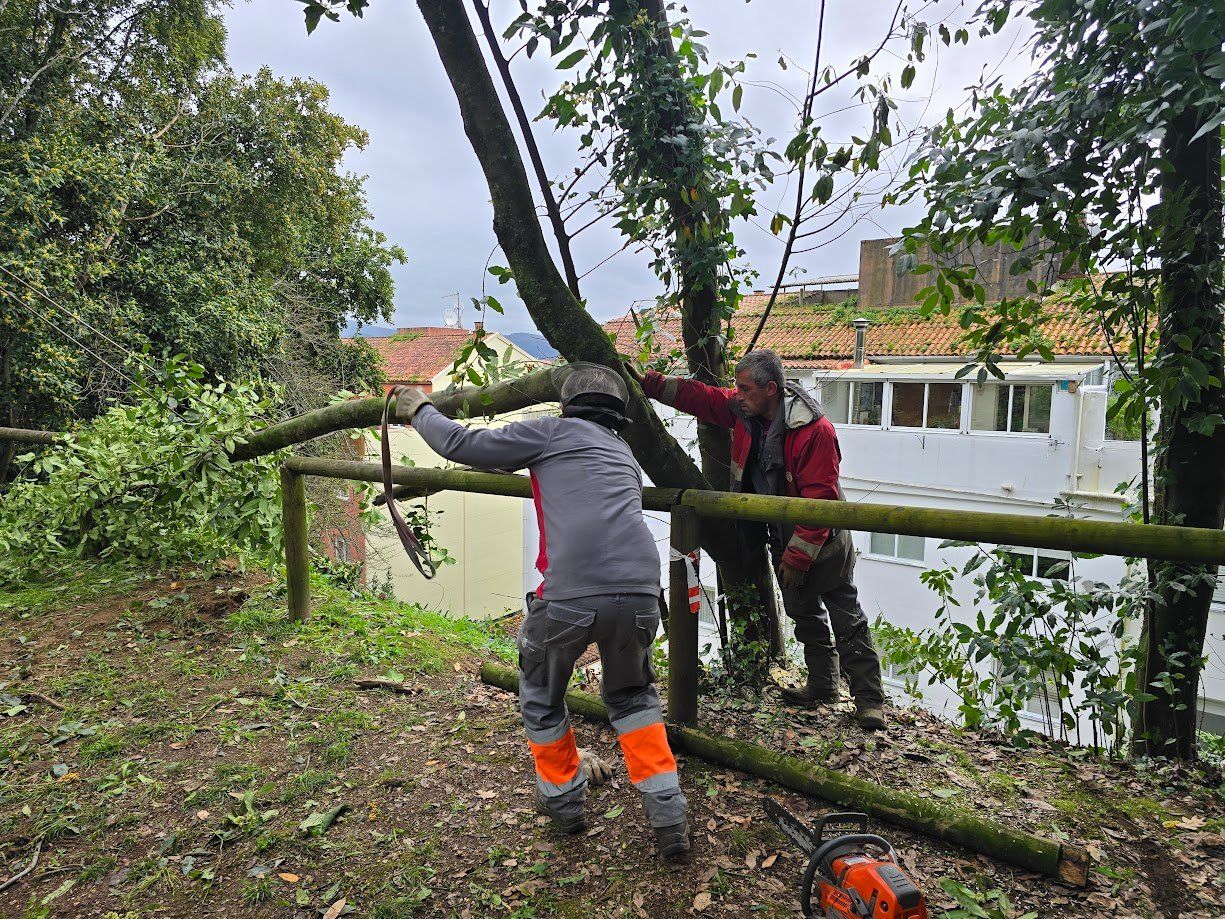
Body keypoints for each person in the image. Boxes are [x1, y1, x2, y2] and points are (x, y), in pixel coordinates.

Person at [392, 364, 690, 855]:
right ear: (618, 417)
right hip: (640, 595)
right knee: (634, 699)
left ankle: (565, 807)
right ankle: (668, 819)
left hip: (570, 597)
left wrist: (419, 409)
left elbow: (463, 446)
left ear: (568, 407)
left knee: (541, 694)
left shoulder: (551, 431)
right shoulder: (623, 453)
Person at [627, 349, 886, 730]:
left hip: (823, 540)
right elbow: (702, 397)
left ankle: (869, 702)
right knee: (803, 612)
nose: (737, 394)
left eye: (744, 388)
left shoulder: (815, 431)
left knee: (846, 617)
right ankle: (823, 686)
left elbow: (822, 503)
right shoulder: (747, 412)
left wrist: (798, 558)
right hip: (781, 535)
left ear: (770, 389)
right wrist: (648, 383)